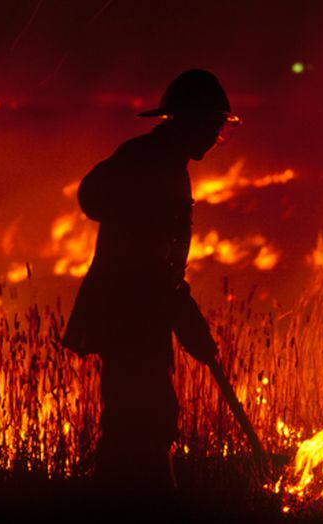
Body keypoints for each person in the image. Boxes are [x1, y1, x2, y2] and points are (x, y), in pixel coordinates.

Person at [63, 69, 241, 499]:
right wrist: (182, 313)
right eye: (214, 125)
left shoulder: (161, 162)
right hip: (130, 314)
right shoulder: (150, 164)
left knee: (145, 417)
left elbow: (161, 267)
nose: (216, 136)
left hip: (141, 312)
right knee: (142, 420)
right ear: (190, 122)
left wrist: (185, 316)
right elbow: (147, 262)